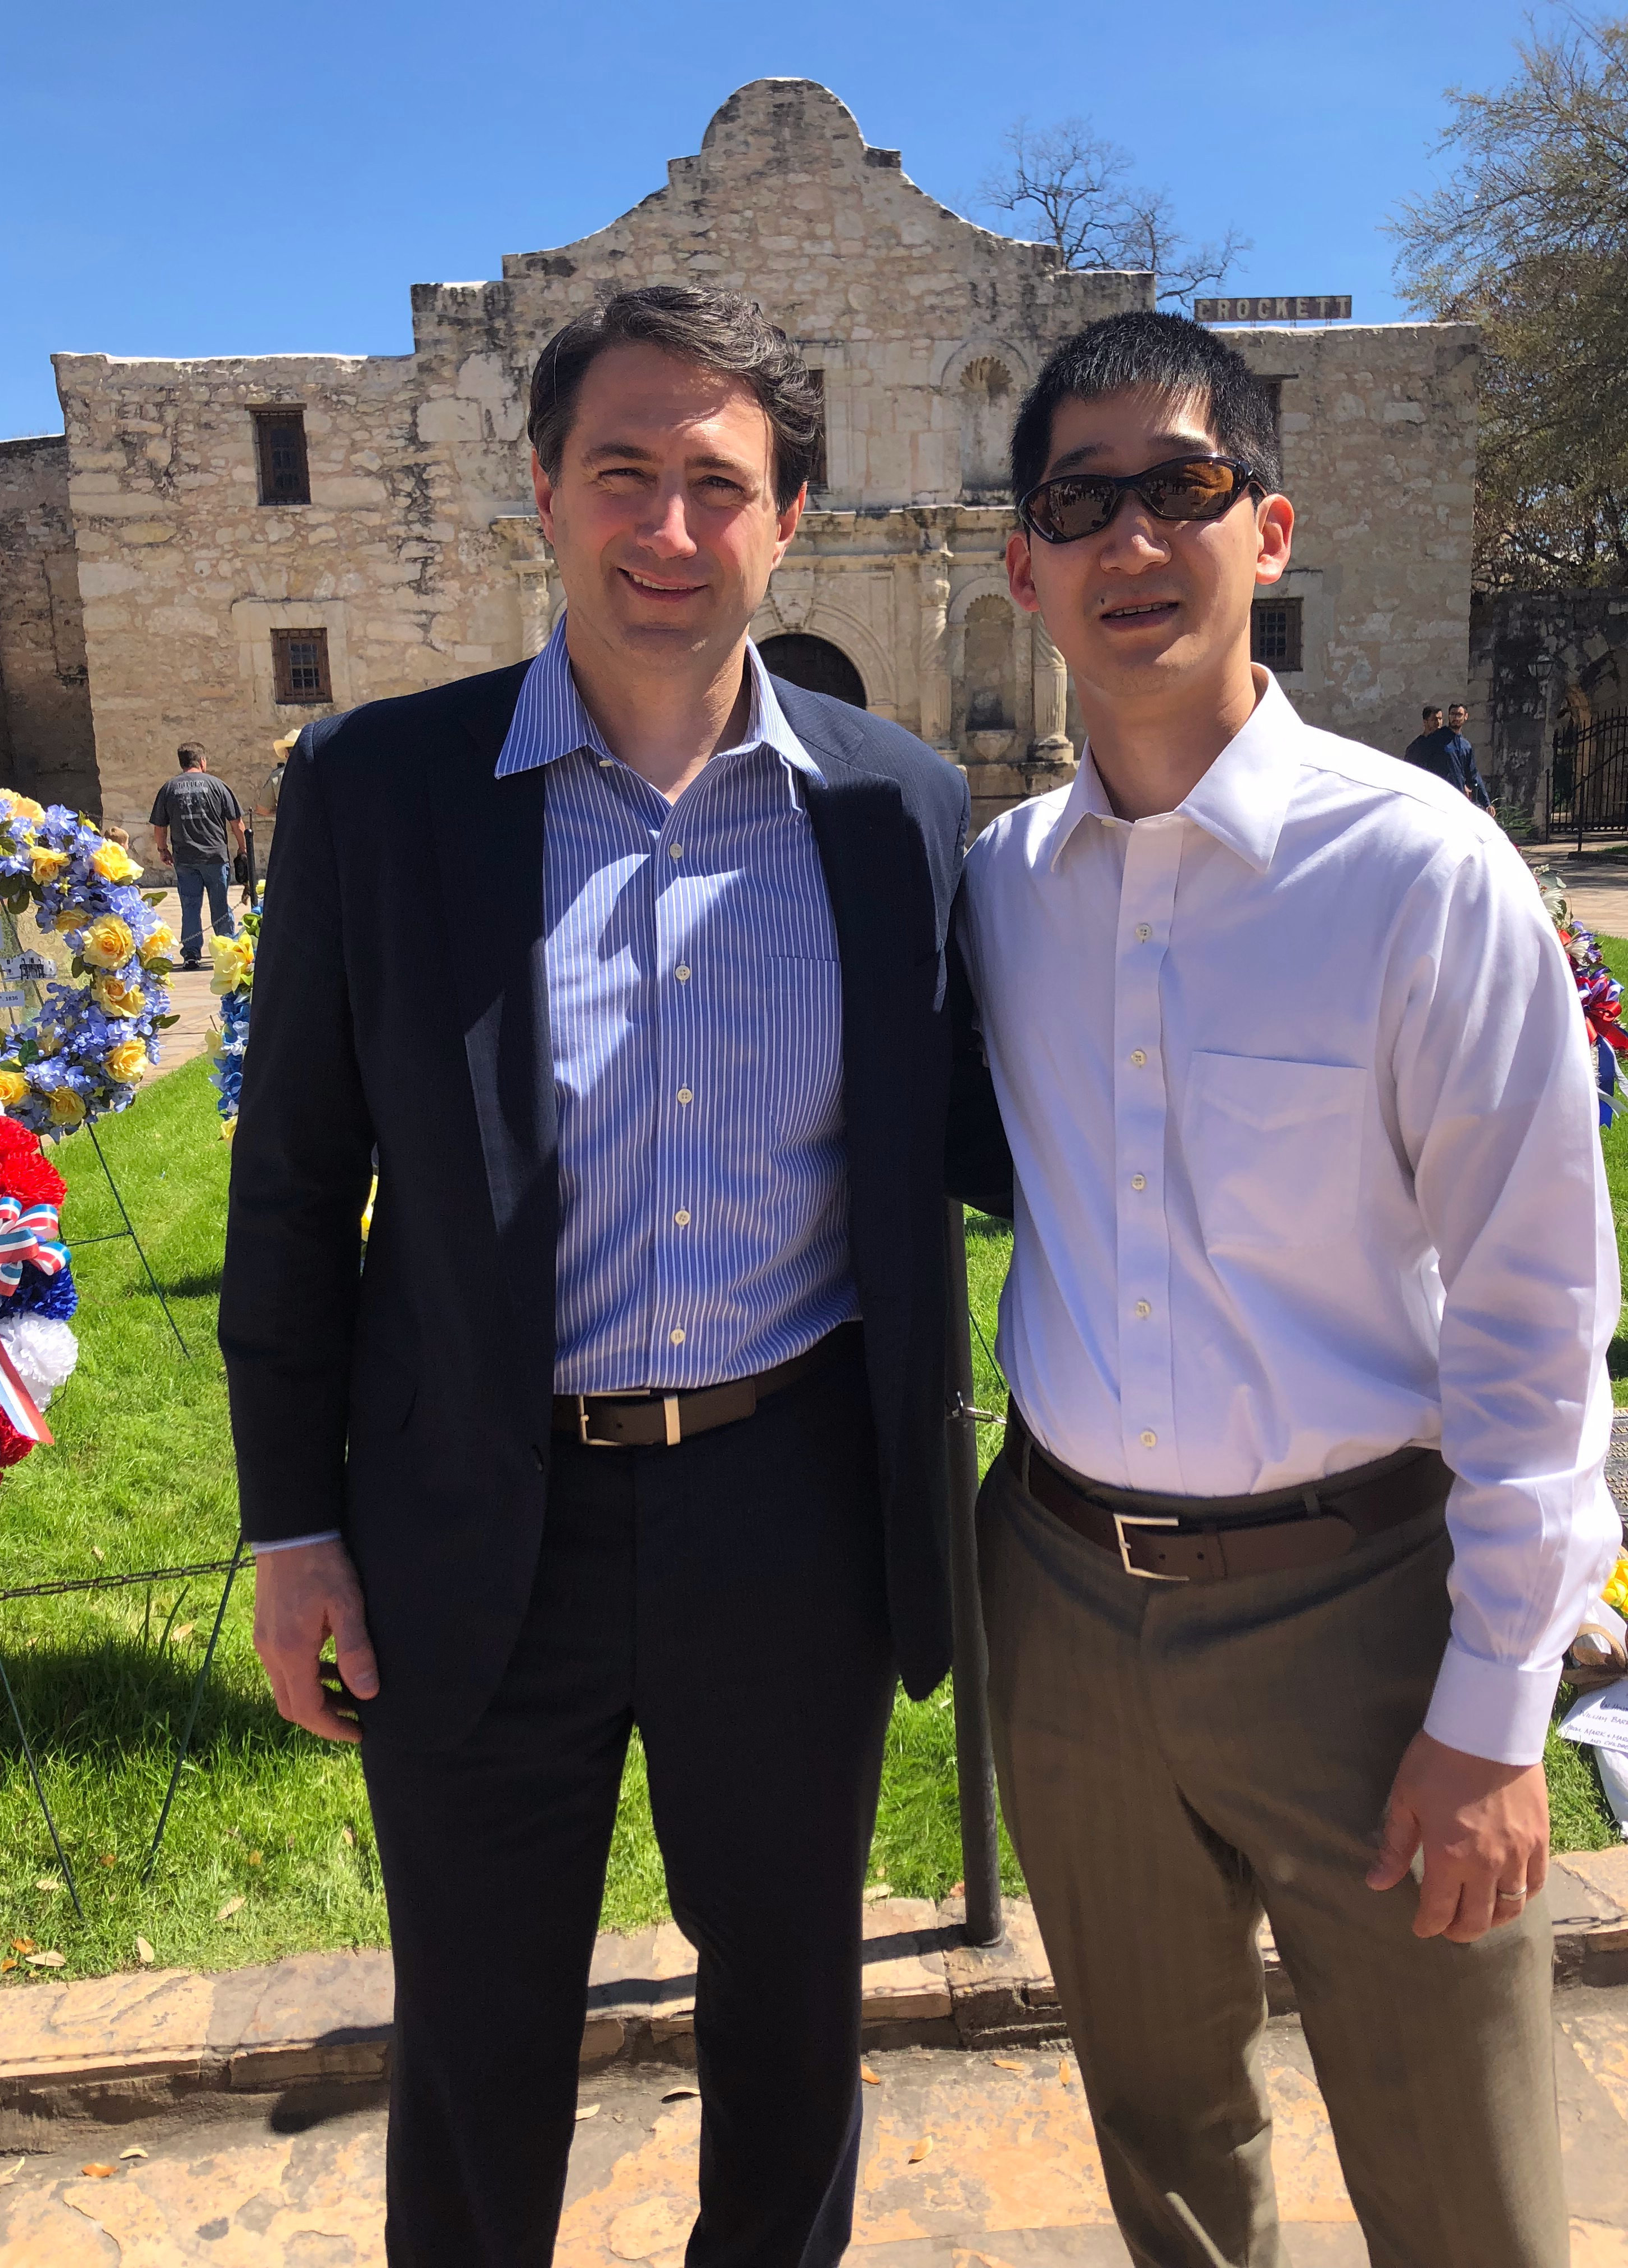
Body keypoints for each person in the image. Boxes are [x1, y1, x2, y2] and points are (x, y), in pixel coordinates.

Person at [220, 284, 968, 2266]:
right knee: (474, 2033)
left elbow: (988, 1142)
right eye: (619, 472)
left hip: (784, 1502)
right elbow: (293, 1187)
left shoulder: (900, 814)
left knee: (793, 2010)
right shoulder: (376, 795)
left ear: (786, 516)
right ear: (540, 490)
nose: (665, 526)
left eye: (714, 484)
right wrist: (292, 1526)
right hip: (476, 1510)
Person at [949, 309, 1618, 2266]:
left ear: (1271, 524)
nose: (1132, 538)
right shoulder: (1001, 886)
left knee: (1462, 2176)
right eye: (1082, 501)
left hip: (1364, 1617)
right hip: (1066, 1604)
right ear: (1024, 568)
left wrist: (1495, 1713)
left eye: (1183, 486)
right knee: (1162, 2146)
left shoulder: (1420, 876)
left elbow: (1533, 1318)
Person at [149, 744, 245, 970]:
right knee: (220, 905)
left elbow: (159, 826)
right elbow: (237, 824)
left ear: (182, 763)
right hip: (215, 857)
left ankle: (191, 954)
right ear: (202, 761)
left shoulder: (169, 788)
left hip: (186, 859)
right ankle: (226, 951)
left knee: (190, 906)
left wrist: (163, 850)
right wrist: (243, 850)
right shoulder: (218, 786)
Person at [1445, 698, 1495, 812]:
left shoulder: (1466, 746)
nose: (1456, 718)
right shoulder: (1438, 739)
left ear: (1466, 717)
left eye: (1459, 715)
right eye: (1453, 714)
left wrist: (1487, 803)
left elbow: (1473, 774)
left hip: (1460, 799)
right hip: (1443, 795)